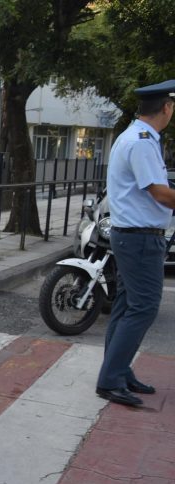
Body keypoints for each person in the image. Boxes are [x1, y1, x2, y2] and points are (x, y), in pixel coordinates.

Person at [96, 79, 175, 407]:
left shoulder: (134, 136)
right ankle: (111, 378)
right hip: (139, 239)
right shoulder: (143, 142)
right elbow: (158, 191)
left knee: (127, 306)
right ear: (167, 108)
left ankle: (118, 370)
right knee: (142, 308)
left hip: (132, 236)